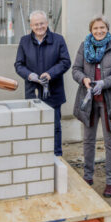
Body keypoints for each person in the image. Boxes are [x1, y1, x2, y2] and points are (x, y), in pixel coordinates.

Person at [71, 16, 111, 198]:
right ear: (91, 30)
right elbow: (75, 69)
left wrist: (104, 82)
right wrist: (83, 79)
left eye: (102, 28)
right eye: (95, 28)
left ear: (107, 29)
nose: (99, 31)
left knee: (110, 143)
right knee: (88, 140)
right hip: (89, 101)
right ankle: (87, 176)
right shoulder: (84, 45)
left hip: (109, 102)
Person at [14, 10, 71, 157]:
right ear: (31, 26)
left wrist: (50, 74)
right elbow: (18, 65)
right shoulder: (24, 41)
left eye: (42, 23)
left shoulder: (58, 40)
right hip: (33, 92)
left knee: (54, 126)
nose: (39, 27)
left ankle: (56, 156)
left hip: (54, 92)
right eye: (35, 24)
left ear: (47, 23)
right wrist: (30, 75)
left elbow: (65, 62)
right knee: (34, 125)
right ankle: (36, 155)